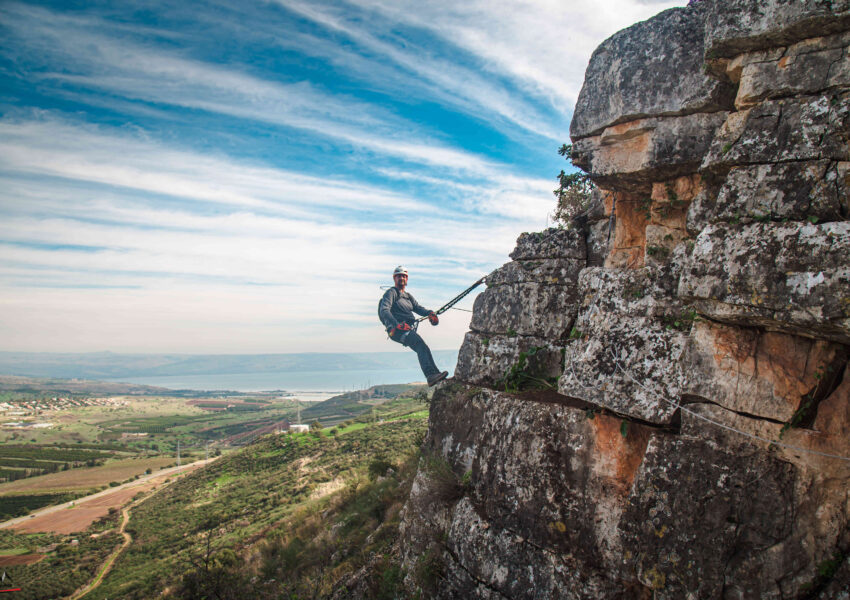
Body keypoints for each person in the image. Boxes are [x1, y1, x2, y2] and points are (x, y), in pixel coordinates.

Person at [378, 266, 448, 387]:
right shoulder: (391, 293)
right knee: (420, 345)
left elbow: (418, 308)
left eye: (404, 276)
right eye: (399, 276)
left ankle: (435, 375)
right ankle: (431, 376)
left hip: (406, 328)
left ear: (407, 279)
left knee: (423, 347)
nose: (402, 278)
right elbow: (385, 310)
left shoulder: (408, 296)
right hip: (397, 330)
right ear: (394, 278)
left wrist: (430, 313)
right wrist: (397, 324)